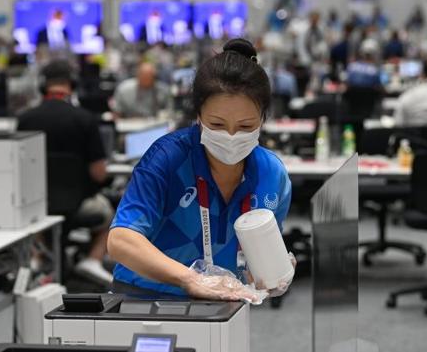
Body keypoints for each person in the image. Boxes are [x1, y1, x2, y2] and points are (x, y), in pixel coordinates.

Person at [107, 39, 294, 300]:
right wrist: (190, 279)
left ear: (263, 119)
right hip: (144, 298)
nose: (230, 136)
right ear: (198, 116)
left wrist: (269, 272)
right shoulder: (167, 160)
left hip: (225, 306)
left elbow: (257, 259)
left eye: (245, 126)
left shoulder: (272, 175)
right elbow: (120, 241)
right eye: (217, 124)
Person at [17, 60, 114, 284]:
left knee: (33, 214)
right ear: (71, 85)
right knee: (115, 213)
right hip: (79, 204)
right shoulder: (85, 119)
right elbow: (99, 173)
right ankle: (92, 259)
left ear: (42, 87)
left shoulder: (24, 120)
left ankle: (40, 257)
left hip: (37, 208)